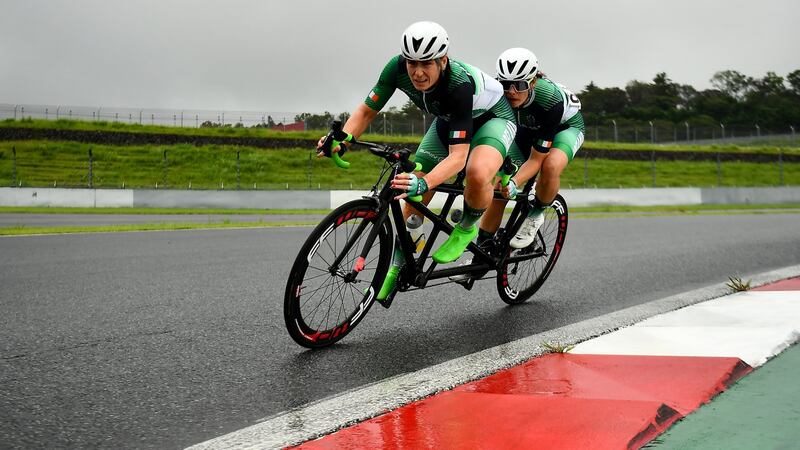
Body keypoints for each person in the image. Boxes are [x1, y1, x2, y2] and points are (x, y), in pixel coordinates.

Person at [317, 21, 517, 302]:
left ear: (442, 61)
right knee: (410, 191)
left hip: (493, 119)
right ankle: (399, 266)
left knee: (476, 170)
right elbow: (366, 111)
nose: (418, 72)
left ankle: (467, 226)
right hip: (448, 121)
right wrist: (343, 139)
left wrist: (425, 182)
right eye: (412, 63)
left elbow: (458, 157)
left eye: (426, 64)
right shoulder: (395, 68)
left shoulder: (458, 84)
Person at [451, 47, 585, 282]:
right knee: (497, 187)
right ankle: (482, 255)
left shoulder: (550, 100)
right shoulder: (499, 94)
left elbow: (537, 159)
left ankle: (536, 212)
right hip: (526, 129)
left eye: (519, 85)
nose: (511, 92)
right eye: (505, 84)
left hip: (565, 128)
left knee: (551, 166)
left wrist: (516, 182)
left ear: (533, 82)